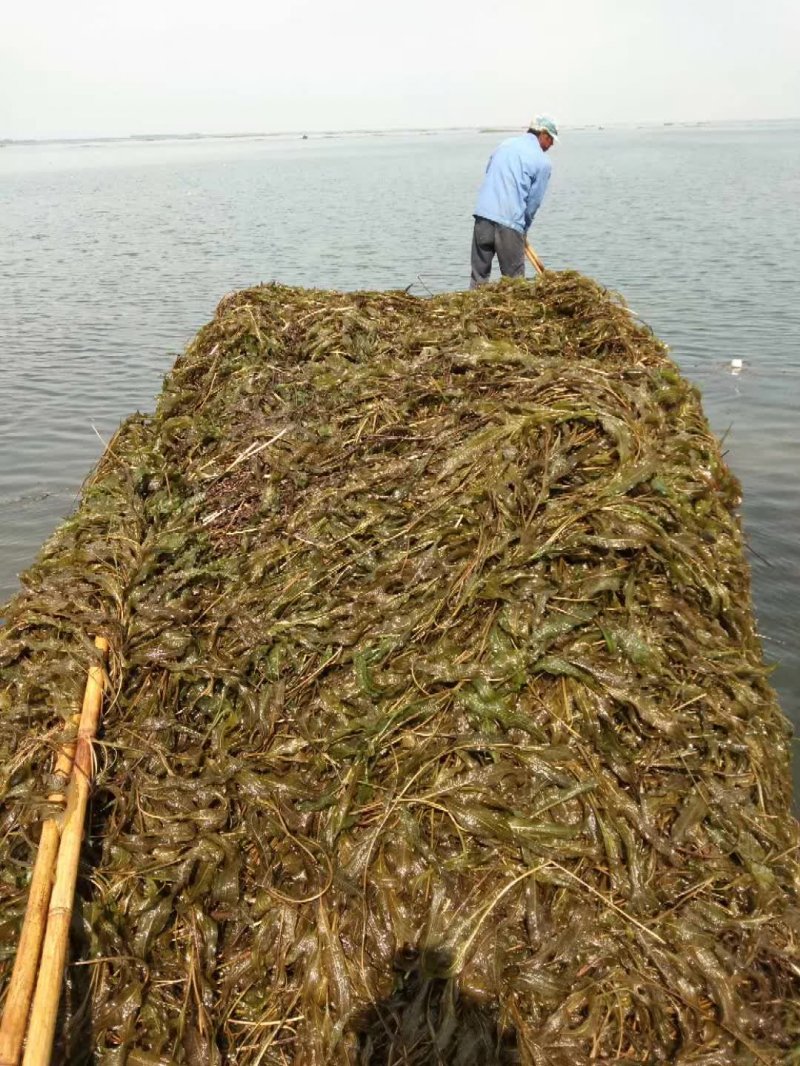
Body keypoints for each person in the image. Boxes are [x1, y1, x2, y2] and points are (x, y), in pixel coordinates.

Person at [470, 115, 558, 288]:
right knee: (515, 285)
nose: (552, 145)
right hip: (510, 223)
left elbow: (489, 171)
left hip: (483, 217)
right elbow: (533, 202)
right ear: (543, 135)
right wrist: (523, 230)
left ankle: (469, 312)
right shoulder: (542, 162)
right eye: (551, 140)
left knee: (478, 277)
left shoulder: (505, 145)